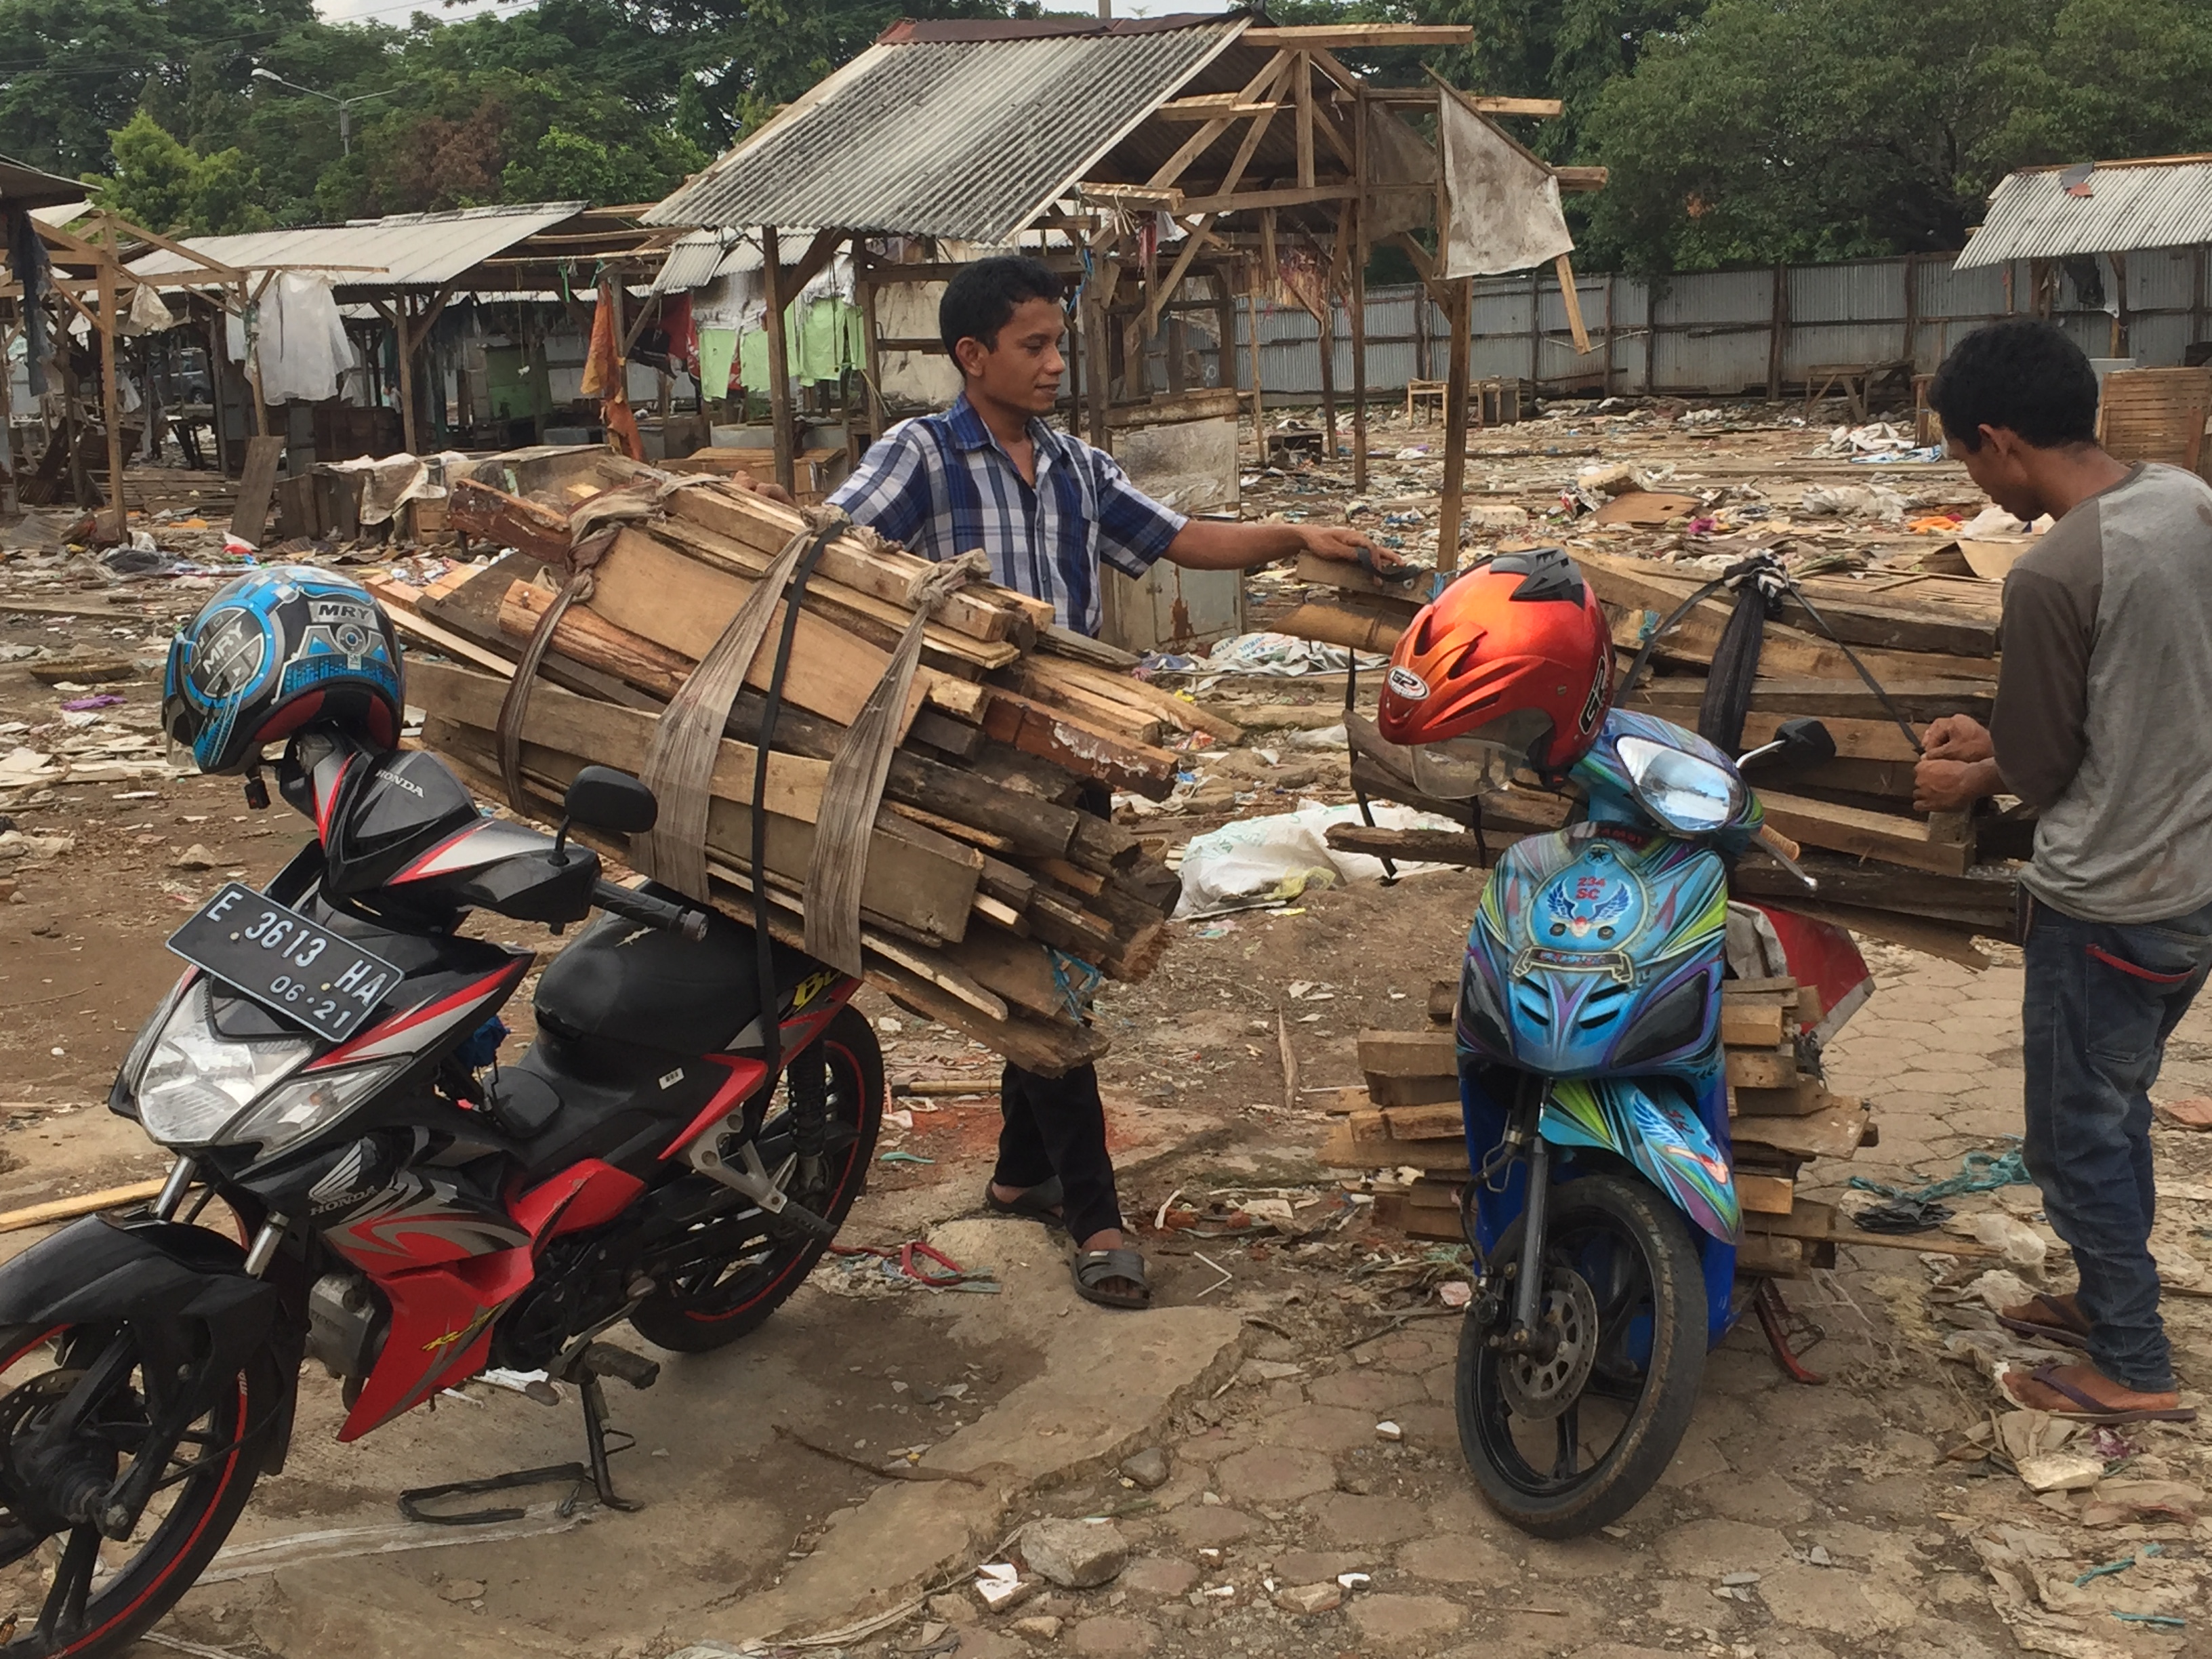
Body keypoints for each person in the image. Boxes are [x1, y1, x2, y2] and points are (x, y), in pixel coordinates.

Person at [828, 255, 1393, 1309]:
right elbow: (836, 559)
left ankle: (1019, 1169)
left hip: (1076, 756)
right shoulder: (921, 456)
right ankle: (1092, 1210)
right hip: (972, 765)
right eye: (1033, 346)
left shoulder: (1074, 465)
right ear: (972, 356)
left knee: (1043, 950)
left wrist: (1294, 535)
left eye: (1057, 344)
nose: (1053, 364)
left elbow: (1177, 537)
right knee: (1048, 967)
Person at [1914, 319, 2211, 1425]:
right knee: (2117, 1102)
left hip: (2107, 904)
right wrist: (1994, 740)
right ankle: (2104, 1298)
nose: (1979, 486)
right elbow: (2131, 688)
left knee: (2072, 1132)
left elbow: (2041, 765)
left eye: (1968, 462)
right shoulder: (2184, 501)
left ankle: (2132, 1367)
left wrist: (1971, 775)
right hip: (2193, 882)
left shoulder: (2050, 572)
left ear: (1996, 440)